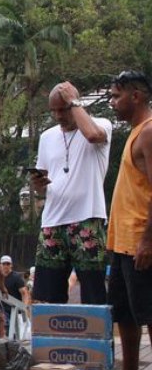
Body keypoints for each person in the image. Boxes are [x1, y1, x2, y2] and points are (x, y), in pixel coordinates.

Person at [30, 81, 112, 304]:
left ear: (76, 104)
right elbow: (42, 179)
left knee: (93, 291)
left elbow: (94, 136)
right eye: (53, 110)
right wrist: (38, 183)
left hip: (87, 218)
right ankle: (54, 338)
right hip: (52, 220)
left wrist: (74, 102)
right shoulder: (47, 137)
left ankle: (94, 336)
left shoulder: (101, 124)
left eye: (63, 109)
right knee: (48, 293)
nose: (58, 115)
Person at [105, 70, 152, 370]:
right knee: (125, 311)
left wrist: (148, 240)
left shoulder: (149, 132)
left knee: (150, 312)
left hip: (140, 238)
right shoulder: (135, 132)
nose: (112, 103)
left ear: (136, 96)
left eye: (116, 96)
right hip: (121, 242)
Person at [0, 255, 30, 335]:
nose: (6, 266)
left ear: (11, 265)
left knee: (15, 332)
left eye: (8, 264)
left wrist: (24, 307)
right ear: (0, 265)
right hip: (2, 307)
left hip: (15, 309)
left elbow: (24, 293)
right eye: (4, 264)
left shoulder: (16, 277)